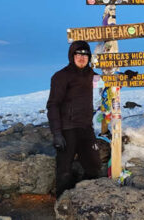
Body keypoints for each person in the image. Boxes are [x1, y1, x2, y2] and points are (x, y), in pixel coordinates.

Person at [46, 40, 101, 198]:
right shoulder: (61, 76)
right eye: (78, 54)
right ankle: (62, 205)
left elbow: (109, 83)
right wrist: (57, 133)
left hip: (86, 128)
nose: (82, 57)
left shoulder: (92, 75)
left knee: (94, 165)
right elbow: (53, 105)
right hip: (67, 129)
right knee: (64, 170)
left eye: (85, 54)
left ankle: (82, 198)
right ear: (72, 55)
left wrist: (125, 77)